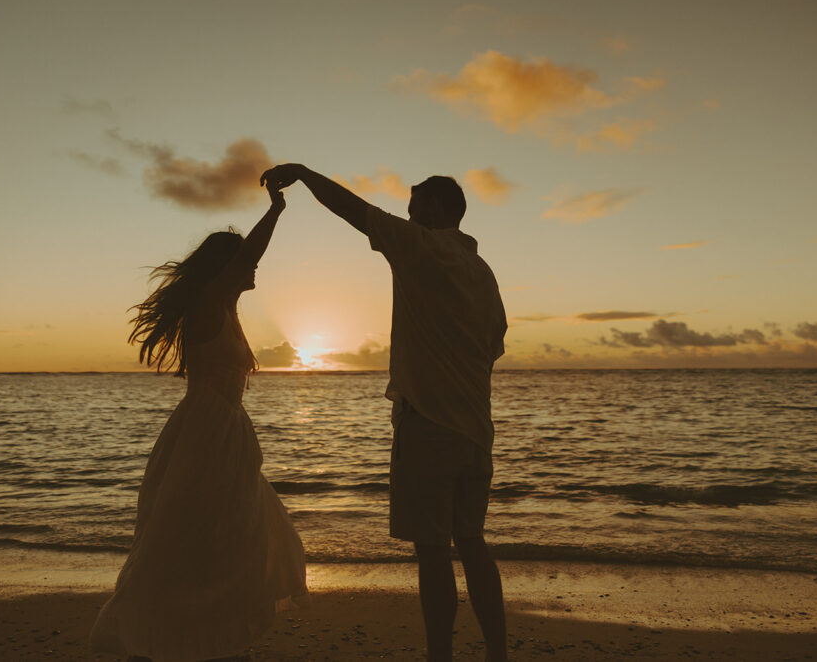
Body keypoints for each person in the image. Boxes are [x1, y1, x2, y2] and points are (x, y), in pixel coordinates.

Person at [260, 164, 508, 661]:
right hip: (477, 432)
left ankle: (441, 655)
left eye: (415, 208)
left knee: (434, 551)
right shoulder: (482, 272)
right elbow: (495, 345)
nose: (409, 217)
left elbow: (355, 211)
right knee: (473, 543)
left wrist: (305, 175)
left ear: (435, 209)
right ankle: (497, 653)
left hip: (429, 426)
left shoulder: (418, 246)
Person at [90, 187, 307, 662]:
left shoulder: (224, 309)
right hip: (207, 435)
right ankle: (180, 642)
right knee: (202, 541)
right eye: (243, 261)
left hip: (223, 433)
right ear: (224, 268)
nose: (253, 267)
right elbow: (248, 254)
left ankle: (218, 642)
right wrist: (277, 208)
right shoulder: (210, 303)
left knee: (235, 539)